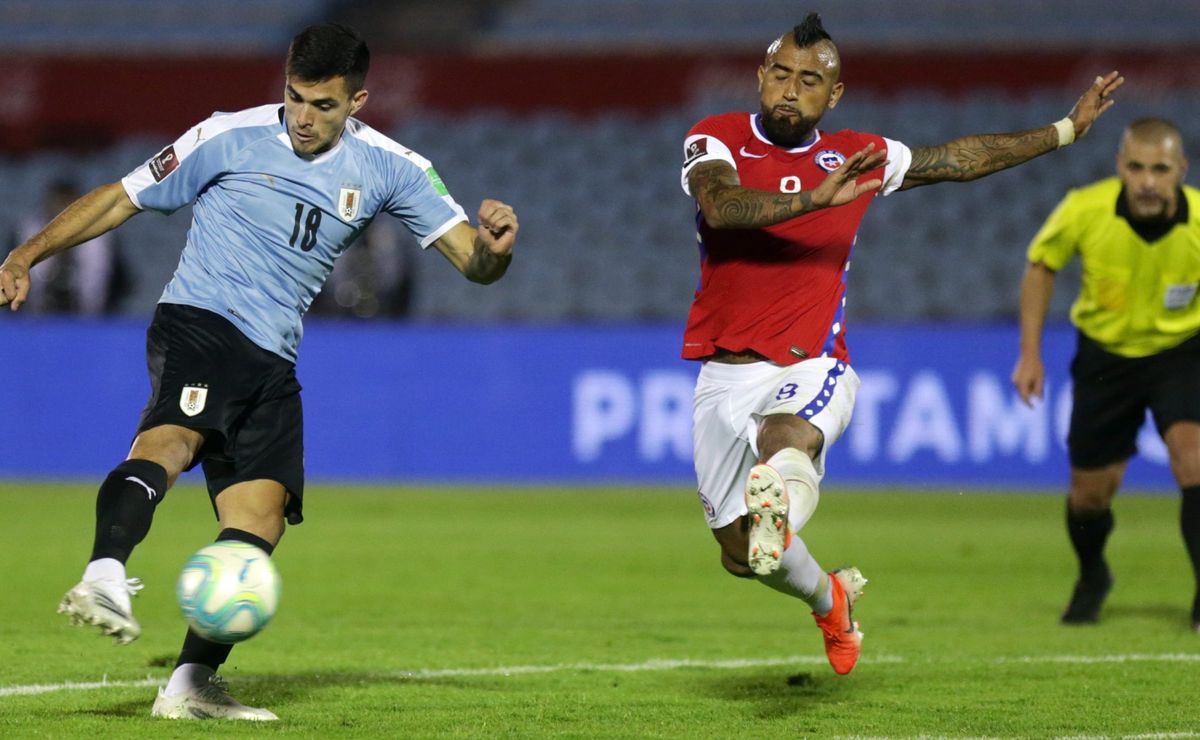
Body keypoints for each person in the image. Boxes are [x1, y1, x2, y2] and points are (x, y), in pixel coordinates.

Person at [0, 23, 517, 720]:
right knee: (171, 442)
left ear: (358, 100)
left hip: (273, 354)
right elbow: (123, 195)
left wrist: (495, 249)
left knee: (261, 518)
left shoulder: (394, 167)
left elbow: (473, 264)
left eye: (324, 106)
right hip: (201, 321)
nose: (304, 118)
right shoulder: (227, 135)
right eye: (295, 97)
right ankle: (103, 572)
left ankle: (189, 684)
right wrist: (27, 255)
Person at [679, 12, 1121, 675]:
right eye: (781, 75)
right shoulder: (715, 138)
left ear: (835, 95)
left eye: (810, 79)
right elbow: (722, 207)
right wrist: (816, 199)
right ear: (760, 78)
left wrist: (1064, 130)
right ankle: (830, 599)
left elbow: (957, 160)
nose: (791, 90)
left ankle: (779, 496)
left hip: (812, 363)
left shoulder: (857, 155)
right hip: (724, 372)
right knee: (742, 559)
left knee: (784, 438)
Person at [1011, 118, 1199, 630]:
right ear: (1120, 167)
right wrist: (1030, 356)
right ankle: (1094, 574)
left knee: (1195, 460)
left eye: (1160, 169)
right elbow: (1040, 266)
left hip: (1181, 351)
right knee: (1090, 496)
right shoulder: (1085, 208)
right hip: (1105, 360)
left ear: (1180, 170)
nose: (1147, 181)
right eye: (1136, 167)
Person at [8, 179, 126, 315]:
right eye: (58, 203)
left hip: (92, 322)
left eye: (69, 207)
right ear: (47, 204)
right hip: (33, 321)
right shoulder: (25, 232)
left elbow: (119, 282)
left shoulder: (103, 238)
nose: (62, 211)